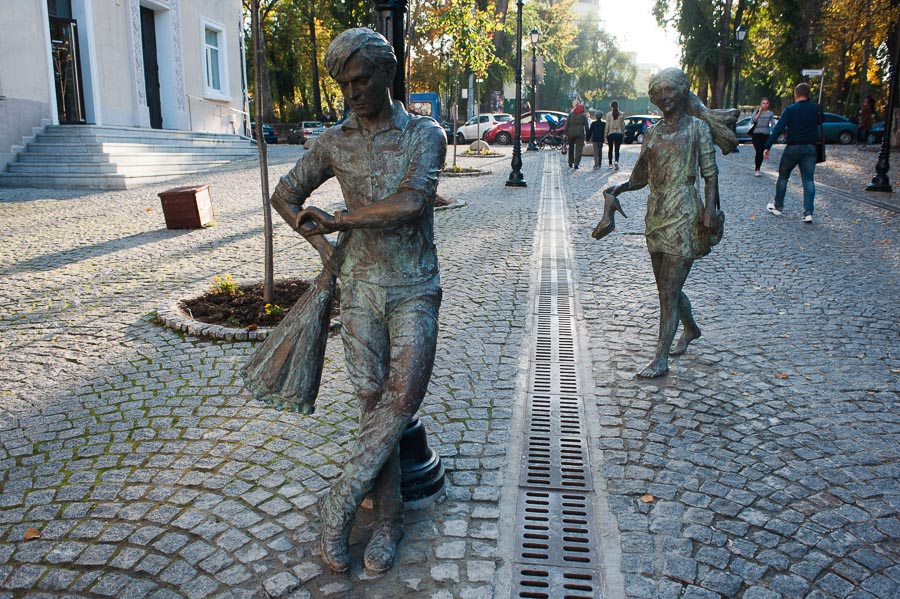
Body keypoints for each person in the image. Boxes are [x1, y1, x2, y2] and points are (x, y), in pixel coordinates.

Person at [268, 27, 446, 574]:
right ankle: (389, 521)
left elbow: (412, 202)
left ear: (387, 73)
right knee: (372, 402)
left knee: (402, 398)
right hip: (362, 289)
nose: (352, 92)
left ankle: (339, 504)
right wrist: (327, 252)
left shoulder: (424, 134)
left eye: (361, 79)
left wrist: (339, 220)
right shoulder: (333, 141)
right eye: (343, 84)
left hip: (414, 285)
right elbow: (285, 195)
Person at [598, 68, 737, 378]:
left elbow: (710, 173)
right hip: (657, 214)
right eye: (658, 92)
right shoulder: (653, 133)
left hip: (685, 213)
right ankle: (690, 328)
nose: (664, 97)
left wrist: (709, 211)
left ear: (682, 91)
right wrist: (616, 189)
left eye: (669, 90)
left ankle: (660, 358)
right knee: (667, 288)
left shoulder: (698, 129)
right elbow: (640, 177)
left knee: (669, 291)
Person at [763, 82, 821, 223]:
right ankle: (808, 213)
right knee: (808, 180)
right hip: (810, 148)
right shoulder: (816, 109)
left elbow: (779, 128)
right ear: (808, 94)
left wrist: (767, 146)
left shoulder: (790, 110)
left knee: (783, 177)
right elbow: (820, 123)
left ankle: (778, 206)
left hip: (793, 147)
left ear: (796, 94)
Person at [749, 97, 776, 176]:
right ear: (761, 104)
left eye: (766, 103)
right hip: (756, 134)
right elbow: (752, 121)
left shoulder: (770, 113)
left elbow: (773, 124)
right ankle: (757, 169)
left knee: (762, 151)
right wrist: (759, 112)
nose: (765, 105)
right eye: (763, 103)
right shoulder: (756, 111)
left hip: (766, 134)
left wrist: (774, 133)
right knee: (759, 151)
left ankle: (758, 167)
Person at [565, 102, 590, 169]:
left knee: (571, 148)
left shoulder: (571, 114)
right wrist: (588, 136)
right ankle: (576, 164)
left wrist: (565, 133)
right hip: (580, 133)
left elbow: (567, 124)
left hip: (571, 133)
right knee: (579, 149)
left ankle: (570, 162)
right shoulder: (583, 115)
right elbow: (586, 126)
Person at [605, 101, 625, 169]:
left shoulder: (608, 115)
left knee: (610, 149)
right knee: (617, 149)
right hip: (619, 133)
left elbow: (607, 125)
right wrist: (623, 133)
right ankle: (616, 161)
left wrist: (605, 134)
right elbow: (623, 125)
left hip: (611, 133)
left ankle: (610, 164)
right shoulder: (621, 114)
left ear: (611, 106)